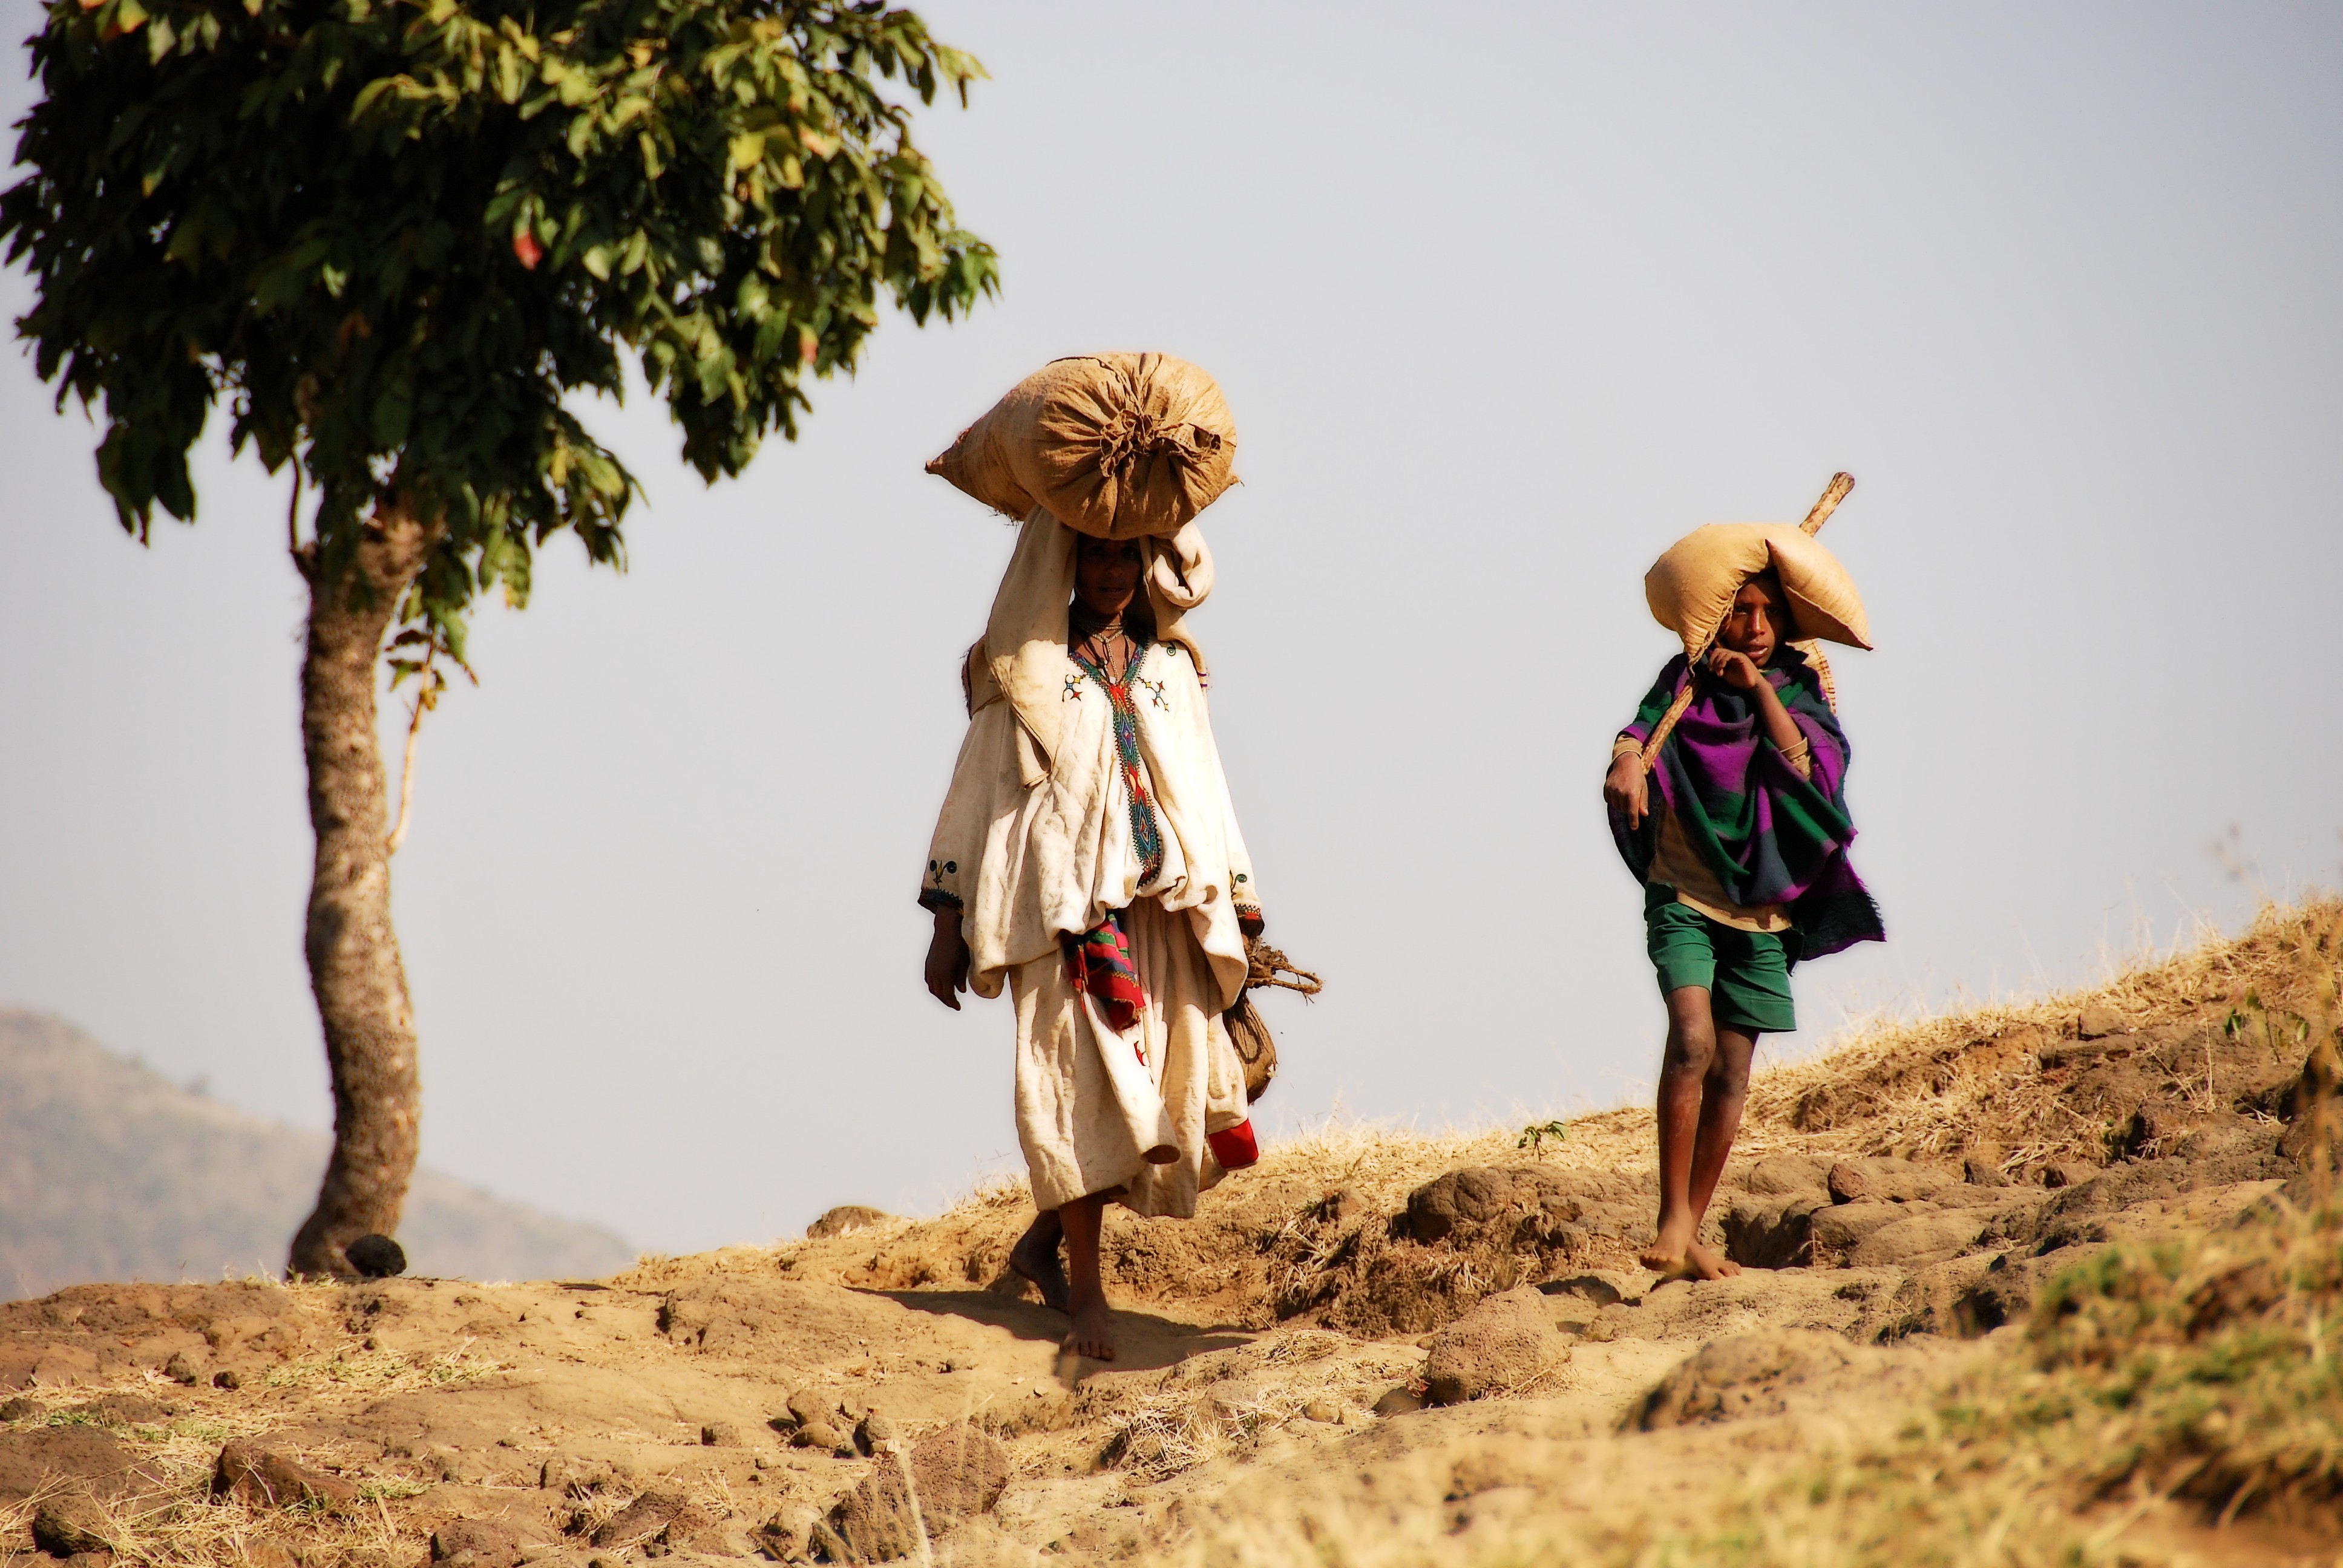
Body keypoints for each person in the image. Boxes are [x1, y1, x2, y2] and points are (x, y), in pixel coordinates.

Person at [920, 517, 1263, 1362]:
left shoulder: (1172, 672)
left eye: (1125, 554)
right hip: (1059, 913)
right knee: (1076, 1091)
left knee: (1151, 1091)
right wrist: (947, 920)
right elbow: (979, 788)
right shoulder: (1030, 672)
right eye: (1097, 554)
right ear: (1069, 563)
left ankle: (1040, 1244)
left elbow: (1207, 789)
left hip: (1162, 911)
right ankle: (1091, 1301)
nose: (1112, 571)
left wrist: (1243, 911)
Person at [1604, 569, 1883, 1281]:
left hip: (1764, 908)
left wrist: (1757, 689)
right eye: (1739, 612)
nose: (1755, 627)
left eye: (1767, 613)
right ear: (1713, 620)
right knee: (1691, 1040)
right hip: (1684, 888)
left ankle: (1688, 1235)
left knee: (1731, 1070)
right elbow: (1638, 730)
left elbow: (1810, 772)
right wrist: (1628, 762)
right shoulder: (1685, 681)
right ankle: (1672, 1221)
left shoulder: (1795, 688)